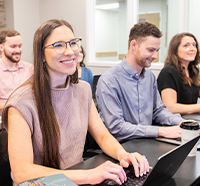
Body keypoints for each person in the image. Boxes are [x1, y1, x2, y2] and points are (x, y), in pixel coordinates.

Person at [2, 19, 149, 185]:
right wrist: (90, 176)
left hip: (76, 179)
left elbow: (102, 136)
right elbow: (22, 171)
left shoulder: (83, 90)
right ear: (41, 55)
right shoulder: (22, 102)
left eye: (73, 43)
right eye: (58, 45)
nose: (70, 51)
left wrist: (124, 155)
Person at [96, 22, 183, 142]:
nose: (155, 56)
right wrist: (160, 131)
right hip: (122, 148)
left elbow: (158, 110)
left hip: (147, 142)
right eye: (151, 50)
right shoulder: (109, 80)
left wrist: (180, 122)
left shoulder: (150, 77)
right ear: (134, 45)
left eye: (157, 50)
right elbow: (116, 127)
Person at [157, 32, 200, 114]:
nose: (192, 49)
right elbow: (170, 107)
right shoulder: (168, 72)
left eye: (194, 45)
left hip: (189, 120)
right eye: (186, 45)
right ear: (175, 50)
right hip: (173, 122)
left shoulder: (192, 71)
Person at [0, 29, 33, 115]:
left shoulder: (29, 68)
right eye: (13, 46)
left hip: (28, 117)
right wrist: (17, 104)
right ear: (1, 47)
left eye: (20, 46)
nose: (18, 50)